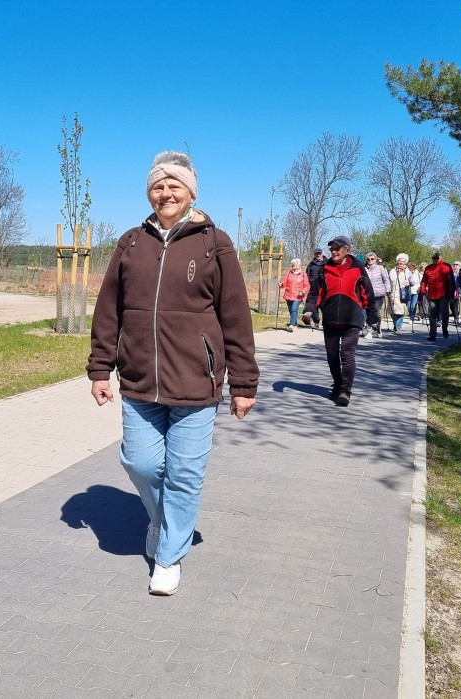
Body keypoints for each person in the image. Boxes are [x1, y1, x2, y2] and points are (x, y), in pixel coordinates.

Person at [87, 151, 259, 596]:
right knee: (140, 463)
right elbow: (108, 311)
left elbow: (236, 317)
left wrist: (243, 383)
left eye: (173, 185)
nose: (165, 193)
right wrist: (101, 368)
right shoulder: (130, 243)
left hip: (196, 383)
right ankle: (164, 521)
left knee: (184, 474)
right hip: (139, 380)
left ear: (190, 192)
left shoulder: (215, 243)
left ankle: (168, 556)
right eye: (157, 186)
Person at [303, 236, 376, 407]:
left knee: (347, 354)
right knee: (332, 355)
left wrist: (372, 315)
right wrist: (309, 310)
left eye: (337, 248)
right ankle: (337, 384)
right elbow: (315, 293)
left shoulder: (358, 268)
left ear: (347, 250)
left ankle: (345, 390)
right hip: (330, 319)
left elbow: (367, 292)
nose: (334, 251)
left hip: (352, 319)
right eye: (332, 249)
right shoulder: (324, 269)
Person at [420, 251, 456, 341]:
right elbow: (424, 281)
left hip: (443, 295)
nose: (434, 260)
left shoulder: (446, 267)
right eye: (433, 258)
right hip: (432, 295)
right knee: (432, 315)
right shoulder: (428, 268)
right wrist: (422, 293)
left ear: (440, 258)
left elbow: (451, 282)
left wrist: (451, 295)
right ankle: (433, 334)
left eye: (436, 258)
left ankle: (444, 328)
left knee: (444, 313)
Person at [363, 252, 391, 338]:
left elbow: (386, 280)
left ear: (375, 259)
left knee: (377, 313)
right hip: (367, 294)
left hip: (378, 294)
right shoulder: (364, 269)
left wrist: (388, 290)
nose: (370, 260)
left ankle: (378, 328)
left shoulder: (380, 268)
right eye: (368, 259)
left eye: (372, 259)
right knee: (369, 313)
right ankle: (369, 331)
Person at [279, 258, 310, 331]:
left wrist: (302, 292)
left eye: (296, 266)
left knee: (294, 309)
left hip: (298, 296)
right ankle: (295, 325)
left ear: (300, 266)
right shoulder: (288, 273)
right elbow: (284, 282)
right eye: (293, 266)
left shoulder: (303, 274)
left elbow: (307, 285)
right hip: (288, 295)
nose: (295, 268)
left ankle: (292, 325)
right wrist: (281, 284)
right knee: (291, 311)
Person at [388, 253, 414, 333]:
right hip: (392, 294)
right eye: (399, 261)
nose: (401, 263)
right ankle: (395, 324)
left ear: (405, 263)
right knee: (392, 311)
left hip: (402, 295)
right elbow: (388, 281)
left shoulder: (408, 272)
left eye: (403, 262)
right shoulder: (392, 271)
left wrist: (411, 281)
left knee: (400, 311)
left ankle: (398, 327)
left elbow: (412, 283)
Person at [304, 248, 327, 328]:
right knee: (312, 306)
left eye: (319, 253)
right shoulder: (311, 264)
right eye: (316, 253)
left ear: (322, 254)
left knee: (325, 307)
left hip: (324, 289)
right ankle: (316, 322)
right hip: (313, 289)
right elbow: (307, 276)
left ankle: (326, 323)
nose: (318, 255)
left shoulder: (327, 263)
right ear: (314, 254)